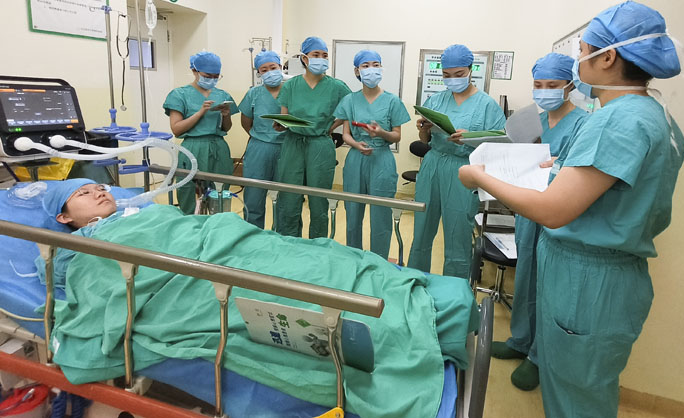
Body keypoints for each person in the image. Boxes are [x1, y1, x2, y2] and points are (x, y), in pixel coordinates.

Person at [34, 179, 477, 418]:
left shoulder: (150, 213)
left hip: (225, 248)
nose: (99, 191)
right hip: (189, 281)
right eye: (82, 193)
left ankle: (390, 303)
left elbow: (202, 230)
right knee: (277, 292)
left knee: (313, 260)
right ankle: (389, 327)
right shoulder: (78, 252)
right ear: (63, 217)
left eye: (100, 186)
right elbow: (100, 296)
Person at [458, 1, 684, 417]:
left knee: (577, 398)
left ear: (608, 57)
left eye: (582, 51)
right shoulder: (653, 113)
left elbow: (552, 211)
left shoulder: (615, 120)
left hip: (588, 280)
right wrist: (558, 167)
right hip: (598, 274)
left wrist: (480, 177)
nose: (578, 61)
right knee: (577, 387)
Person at [492, 52, 588, 392]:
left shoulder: (584, 124)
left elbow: (579, 172)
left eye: (552, 85)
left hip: (558, 217)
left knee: (548, 287)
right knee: (525, 277)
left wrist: (557, 163)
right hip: (528, 211)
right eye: (538, 84)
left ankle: (538, 356)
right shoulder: (534, 121)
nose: (544, 91)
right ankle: (520, 340)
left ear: (570, 85)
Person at [408, 44, 507, 278]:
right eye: (447, 75)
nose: (453, 79)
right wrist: (423, 129)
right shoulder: (435, 101)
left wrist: (469, 139)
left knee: (458, 235)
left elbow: (498, 148)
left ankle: (455, 290)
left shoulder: (487, 105)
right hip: (432, 164)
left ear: (471, 70)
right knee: (421, 229)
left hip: (464, 170)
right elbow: (425, 140)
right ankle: (415, 281)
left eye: (459, 74)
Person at [334, 50, 410, 259]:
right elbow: (345, 134)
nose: (371, 70)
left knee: (381, 215)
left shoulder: (392, 101)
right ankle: (354, 258)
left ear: (381, 69)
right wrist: (356, 145)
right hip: (356, 158)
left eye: (376, 65)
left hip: (382, 159)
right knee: (352, 212)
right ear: (357, 71)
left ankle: (379, 261)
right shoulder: (350, 100)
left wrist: (381, 133)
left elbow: (397, 136)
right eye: (366, 66)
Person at [275, 37, 351, 238]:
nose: (321, 59)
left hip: (320, 145)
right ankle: (289, 243)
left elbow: (350, 110)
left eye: (324, 55)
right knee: (289, 198)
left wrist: (331, 127)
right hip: (293, 144)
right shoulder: (290, 86)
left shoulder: (337, 87)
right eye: (316, 54)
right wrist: (281, 124)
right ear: (304, 58)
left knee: (319, 200)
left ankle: (318, 245)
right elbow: (284, 116)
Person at [163, 52, 239, 215]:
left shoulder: (222, 95)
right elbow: (176, 129)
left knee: (220, 195)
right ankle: (191, 226)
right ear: (194, 71)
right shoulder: (179, 94)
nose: (212, 79)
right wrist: (200, 112)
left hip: (218, 148)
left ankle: (218, 226)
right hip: (193, 148)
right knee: (190, 195)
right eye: (207, 76)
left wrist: (226, 115)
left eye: (216, 76)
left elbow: (226, 128)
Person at [239, 50, 286, 229]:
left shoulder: (291, 91)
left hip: (287, 148)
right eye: (264, 70)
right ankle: (252, 235)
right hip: (259, 148)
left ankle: (283, 238)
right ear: (258, 73)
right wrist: (261, 137)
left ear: (280, 67)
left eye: (273, 68)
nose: (269, 72)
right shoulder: (253, 94)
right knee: (254, 197)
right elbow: (246, 122)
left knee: (286, 200)